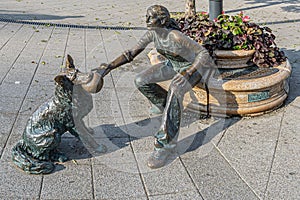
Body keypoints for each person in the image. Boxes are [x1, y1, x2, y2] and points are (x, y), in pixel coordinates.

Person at [98, 5, 216, 168]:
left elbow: (203, 53)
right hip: (173, 65)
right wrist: (109, 67)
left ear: (162, 20)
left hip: (193, 69)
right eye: (146, 16)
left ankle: (165, 145)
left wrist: (188, 73)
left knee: (175, 88)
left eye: (150, 17)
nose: (146, 20)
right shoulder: (152, 34)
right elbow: (130, 54)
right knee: (140, 80)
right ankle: (167, 108)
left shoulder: (175, 36)